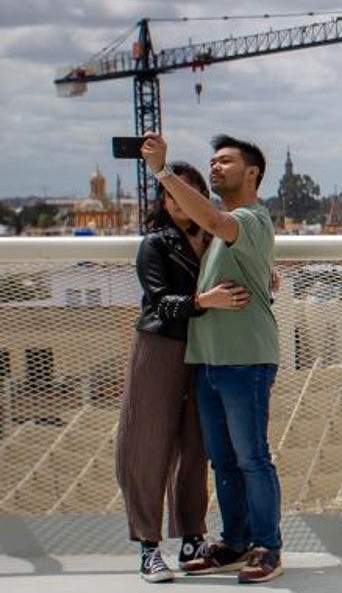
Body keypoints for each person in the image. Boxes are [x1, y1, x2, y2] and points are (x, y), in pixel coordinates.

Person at [142, 133, 284, 585]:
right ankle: (236, 542)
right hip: (210, 362)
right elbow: (200, 228)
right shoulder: (216, 230)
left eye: (225, 161)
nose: (216, 168)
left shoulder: (250, 218)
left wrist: (163, 172)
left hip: (245, 359)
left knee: (252, 459)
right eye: (213, 162)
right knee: (223, 461)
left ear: (253, 173)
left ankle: (268, 547)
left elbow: (213, 219)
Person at [116, 161, 252, 583]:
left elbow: (242, 271)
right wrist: (204, 300)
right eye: (171, 194)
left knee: (197, 446)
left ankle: (192, 535)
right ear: (163, 199)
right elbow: (160, 304)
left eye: (188, 192)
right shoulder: (155, 244)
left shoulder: (216, 238)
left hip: (203, 351)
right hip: (160, 347)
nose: (179, 202)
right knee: (147, 445)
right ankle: (148, 546)